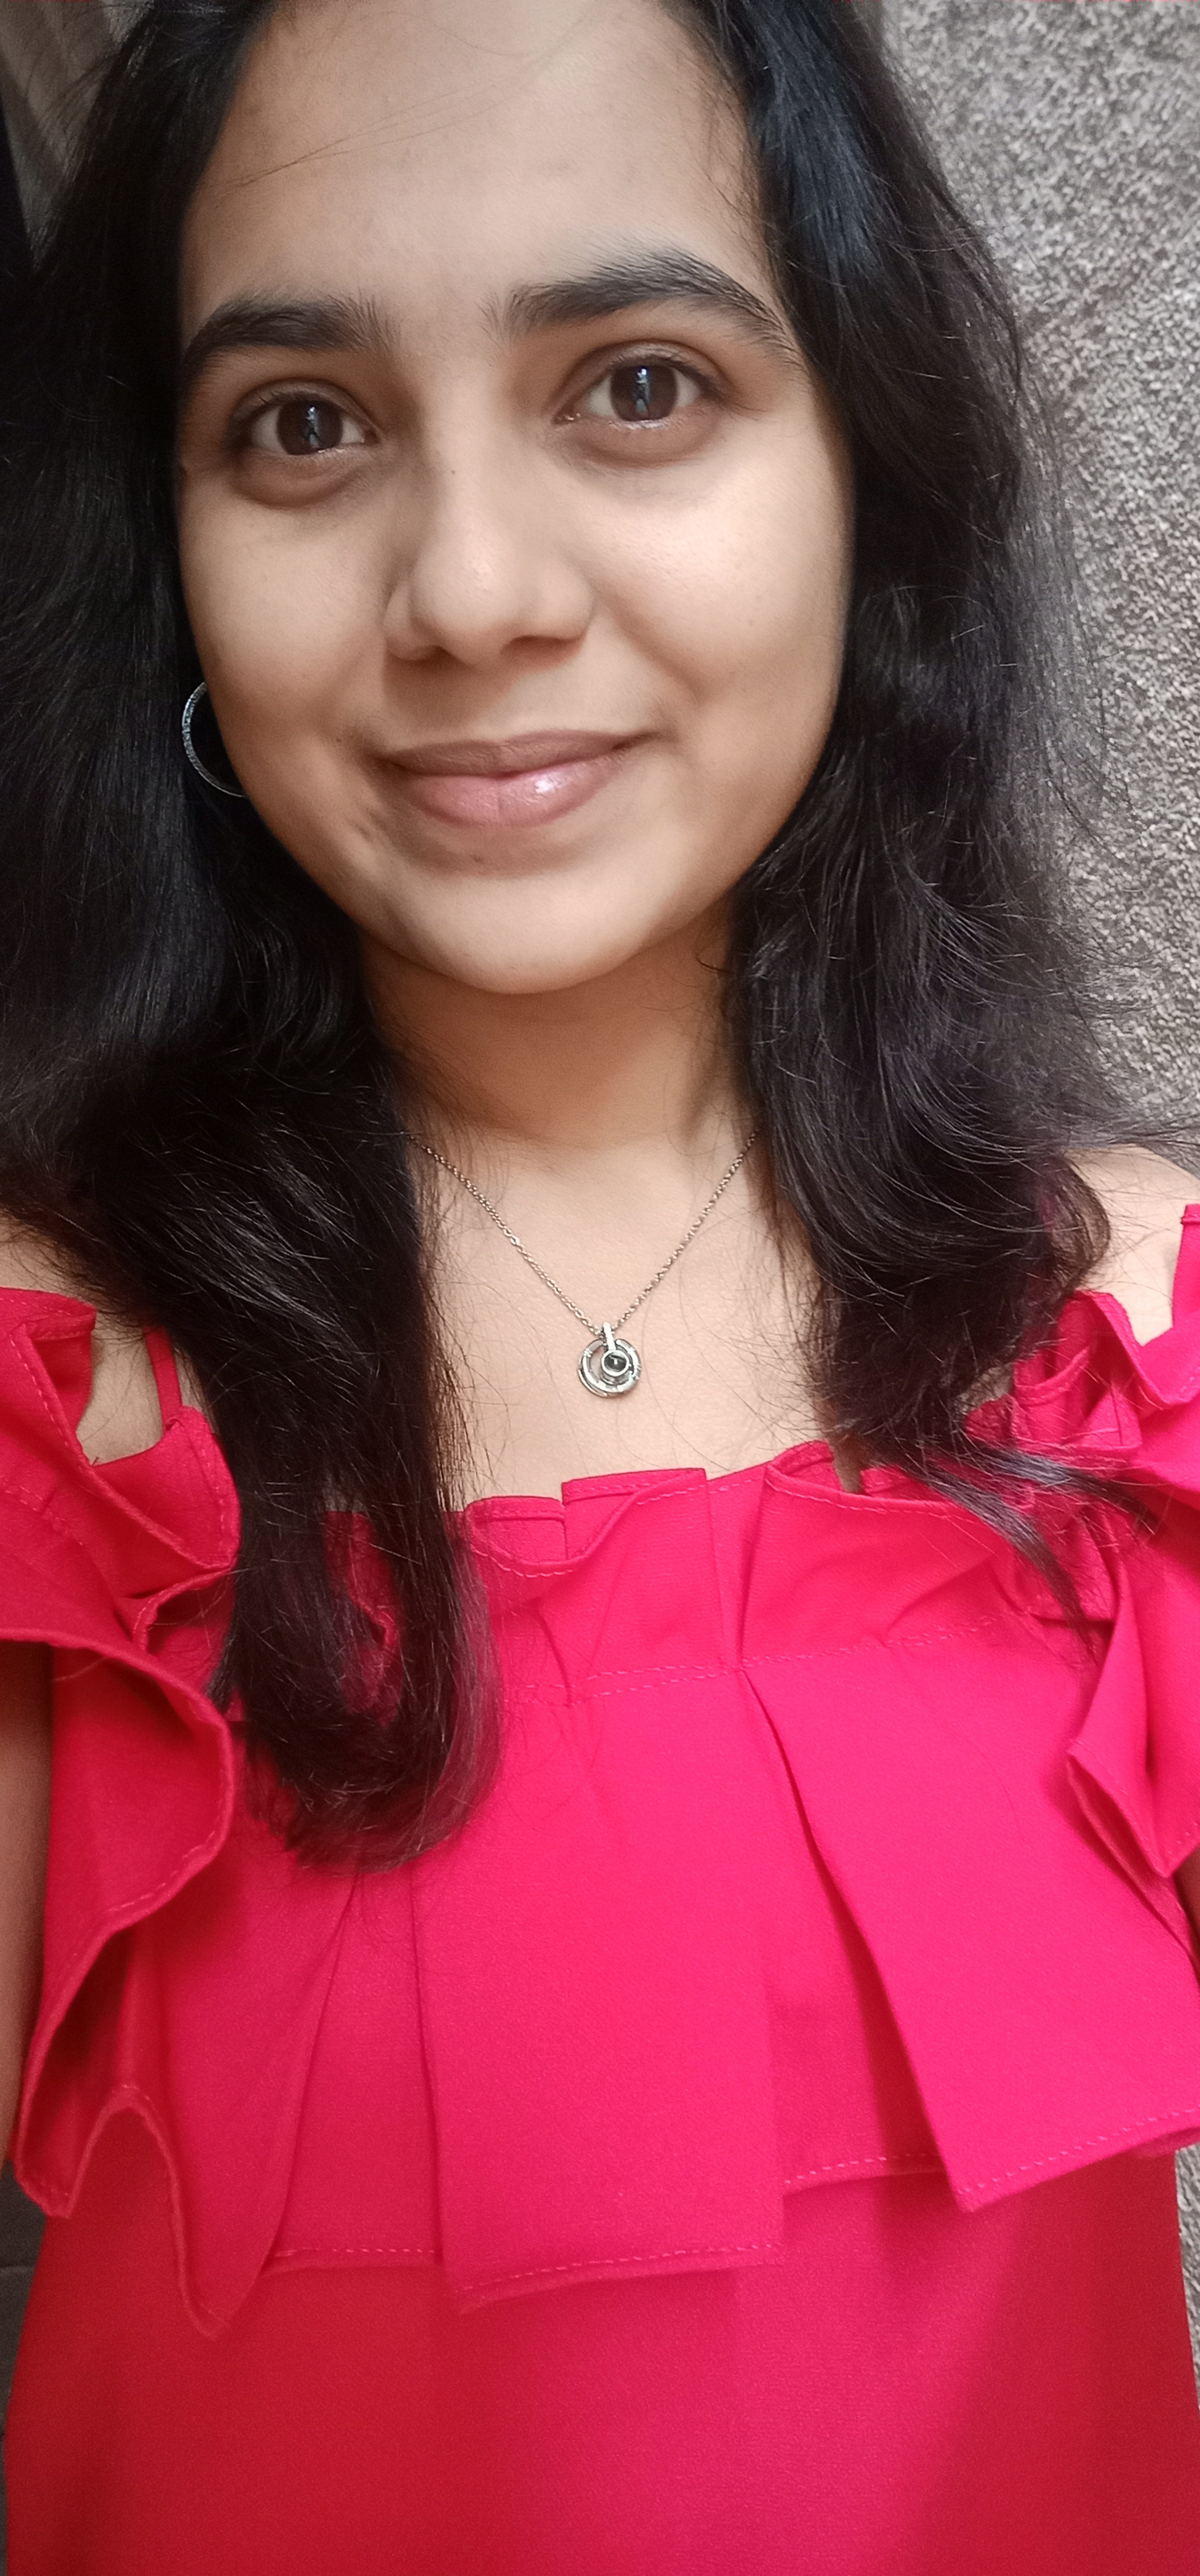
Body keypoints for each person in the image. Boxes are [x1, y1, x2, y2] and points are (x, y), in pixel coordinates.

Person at [0, 0, 1198, 2565]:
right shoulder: (46, 1413)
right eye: (301, 424)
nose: (472, 592)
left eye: (638, 385)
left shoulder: (1148, 1353)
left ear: (870, 467)